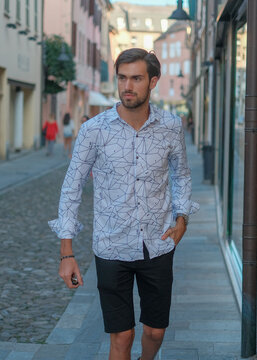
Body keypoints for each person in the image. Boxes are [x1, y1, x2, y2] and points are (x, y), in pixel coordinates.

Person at [48, 48, 199, 360]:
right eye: (122, 78)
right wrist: (67, 253)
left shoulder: (171, 126)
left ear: (153, 81)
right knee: (122, 335)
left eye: (136, 78)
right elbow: (71, 187)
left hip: (157, 245)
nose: (127, 86)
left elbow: (181, 174)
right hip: (111, 245)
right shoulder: (93, 130)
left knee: (155, 331)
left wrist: (182, 217)